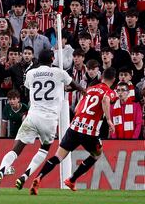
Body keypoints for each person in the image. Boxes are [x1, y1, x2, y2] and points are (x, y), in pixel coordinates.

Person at [0, 49, 85, 195]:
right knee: (44, 149)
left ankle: (1, 172)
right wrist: (68, 89)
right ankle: (25, 176)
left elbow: (29, 87)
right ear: (52, 59)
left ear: (38, 60)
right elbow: (77, 86)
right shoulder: (60, 73)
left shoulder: (31, 73)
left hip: (33, 116)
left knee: (16, 149)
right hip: (49, 119)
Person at [29, 67, 117, 195]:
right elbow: (105, 100)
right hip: (89, 132)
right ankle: (72, 179)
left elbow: (77, 108)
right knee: (96, 154)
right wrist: (108, 120)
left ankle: (39, 177)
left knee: (57, 157)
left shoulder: (90, 89)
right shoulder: (109, 92)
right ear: (113, 80)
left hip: (74, 127)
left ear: (102, 77)